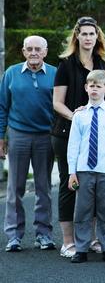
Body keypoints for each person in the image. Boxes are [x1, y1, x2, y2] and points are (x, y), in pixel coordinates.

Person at [51, 16, 105, 258]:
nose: (88, 38)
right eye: (84, 33)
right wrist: (75, 117)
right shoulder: (65, 64)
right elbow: (57, 103)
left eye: (92, 33)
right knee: (72, 185)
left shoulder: (104, 64)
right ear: (76, 36)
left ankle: (95, 239)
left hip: (99, 135)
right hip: (67, 133)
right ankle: (69, 242)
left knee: (98, 185)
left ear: (97, 36)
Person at [1, 36, 57, 252]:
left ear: (45, 51)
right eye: (29, 49)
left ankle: (43, 234)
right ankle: (14, 236)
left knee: (44, 187)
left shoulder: (54, 73)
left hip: (46, 136)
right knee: (15, 187)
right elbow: (2, 107)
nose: (34, 52)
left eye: (38, 49)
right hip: (18, 136)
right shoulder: (11, 73)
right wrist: (1, 138)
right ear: (24, 51)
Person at [67, 70, 105, 263]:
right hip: (84, 169)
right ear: (86, 88)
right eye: (91, 86)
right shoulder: (79, 115)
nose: (94, 89)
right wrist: (71, 172)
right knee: (82, 210)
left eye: (99, 86)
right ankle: (81, 248)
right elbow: (73, 145)